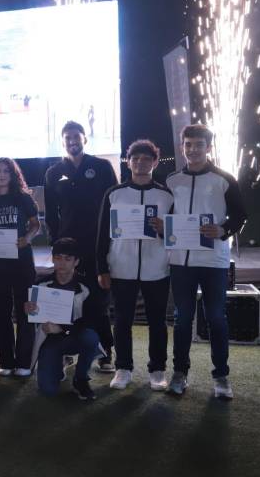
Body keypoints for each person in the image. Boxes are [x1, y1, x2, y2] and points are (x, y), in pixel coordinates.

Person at [165, 125, 247, 399]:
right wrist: (161, 227)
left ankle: (221, 376)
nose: (193, 149)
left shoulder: (224, 179)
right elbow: (167, 215)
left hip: (214, 261)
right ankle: (180, 373)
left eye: (199, 144)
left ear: (208, 147)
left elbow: (240, 215)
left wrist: (223, 230)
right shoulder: (172, 180)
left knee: (216, 318)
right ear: (182, 147)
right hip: (181, 261)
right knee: (182, 319)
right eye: (188, 144)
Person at [96, 140, 174, 391]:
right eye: (135, 159)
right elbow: (102, 234)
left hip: (157, 268)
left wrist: (164, 229)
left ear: (155, 162)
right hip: (121, 268)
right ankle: (123, 368)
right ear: (128, 162)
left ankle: (157, 369)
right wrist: (102, 268)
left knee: (157, 322)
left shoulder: (166, 195)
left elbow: (176, 234)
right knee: (122, 321)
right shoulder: (114, 193)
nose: (140, 163)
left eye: (146, 159)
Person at [44, 120, 117, 372]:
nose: (72, 141)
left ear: (84, 139)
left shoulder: (101, 166)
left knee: (98, 298)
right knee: (66, 297)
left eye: (76, 136)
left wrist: (111, 239)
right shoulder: (53, 172)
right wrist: (56, 244)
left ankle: (106, 351)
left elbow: (115, 203)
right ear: (62, 142)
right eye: (68, 138)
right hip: (67, 247)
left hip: (97, 244)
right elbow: (51, 214)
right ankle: (65, 350)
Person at [0, 158, 40, 377]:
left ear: (13, 175)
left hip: (22, 261)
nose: (1, 175)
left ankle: (24, 362)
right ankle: (7, 361)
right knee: (0, 312)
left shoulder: (23, 197)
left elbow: (36, 225)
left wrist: (27, 239)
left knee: (25, 310)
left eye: (6, 171)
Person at [25, 238, 103, 400]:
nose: (62, 263)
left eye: (68, 259)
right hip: (50, 340)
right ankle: (58, 364)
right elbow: (34, 317)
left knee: (91, 337)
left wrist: (63, 328)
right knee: (48, 389)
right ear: (53, 259)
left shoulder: (87, 285)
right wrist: (28, 310)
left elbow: (92, 319)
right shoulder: (40, 284)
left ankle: (80, 378)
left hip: (76, 335)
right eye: (58, 258)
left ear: (76, 262)